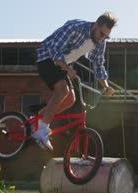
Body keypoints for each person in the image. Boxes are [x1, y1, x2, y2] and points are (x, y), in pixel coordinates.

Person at [33, 12, 117, 151]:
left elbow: (98, 64)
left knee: (70, 99)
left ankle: (36, 121)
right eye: (101, 34)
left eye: (106, 36)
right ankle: (42, 130)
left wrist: (106, 86)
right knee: (62, 90)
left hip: (62, 63)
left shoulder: (100, 43)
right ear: (95, 25)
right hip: (46, 57)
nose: (102, 39)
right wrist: (67, 68)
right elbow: (54, 50)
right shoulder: (75, 27)